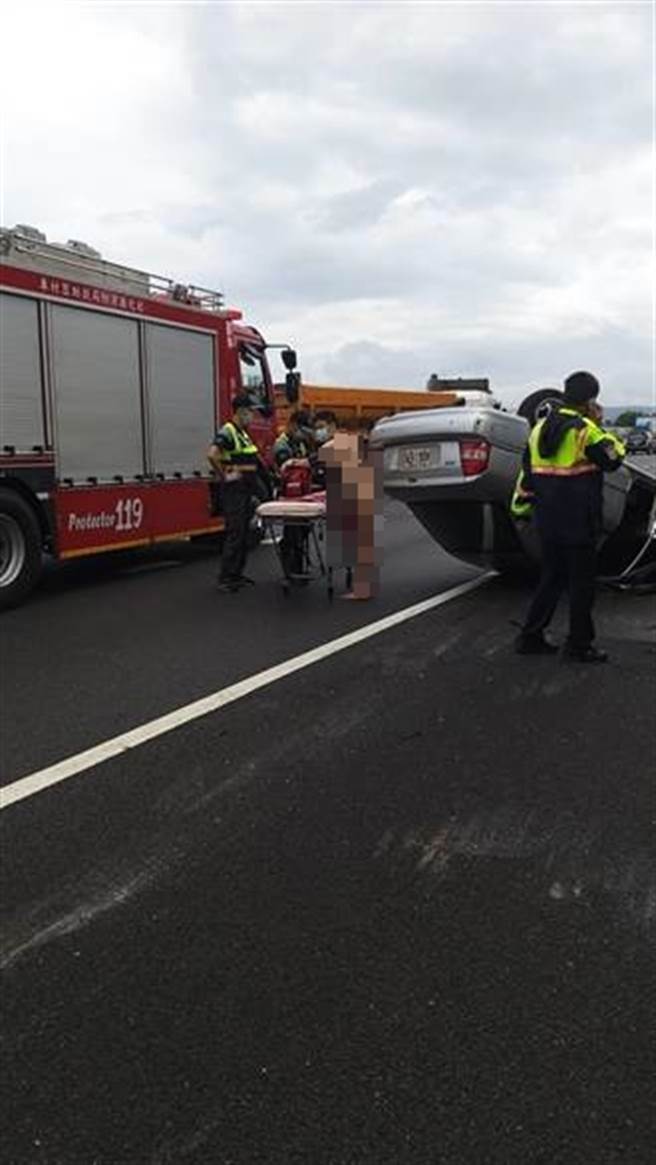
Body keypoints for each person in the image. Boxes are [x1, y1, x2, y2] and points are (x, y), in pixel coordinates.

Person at [512, 371, 626, 662]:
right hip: (579, 521)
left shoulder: (538, 430)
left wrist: (524, 509)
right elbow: (613, 459)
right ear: (589, 400)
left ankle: (530, 636)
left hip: (547, 521)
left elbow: (528, 473)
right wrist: (602, 426)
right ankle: (579, 645)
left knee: (551, 578)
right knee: (581, 585)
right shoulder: (585, 430)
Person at [208, 394, 266, 593]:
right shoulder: (229, 430)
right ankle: (226, 577)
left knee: (243, 535)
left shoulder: (243, 432)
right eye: (250, 411)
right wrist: (226, 475)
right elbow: (212, 454)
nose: (252, 415)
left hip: (245, 490)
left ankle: (237, 575)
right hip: (234, 492)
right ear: (241, 411)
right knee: (235, 534)